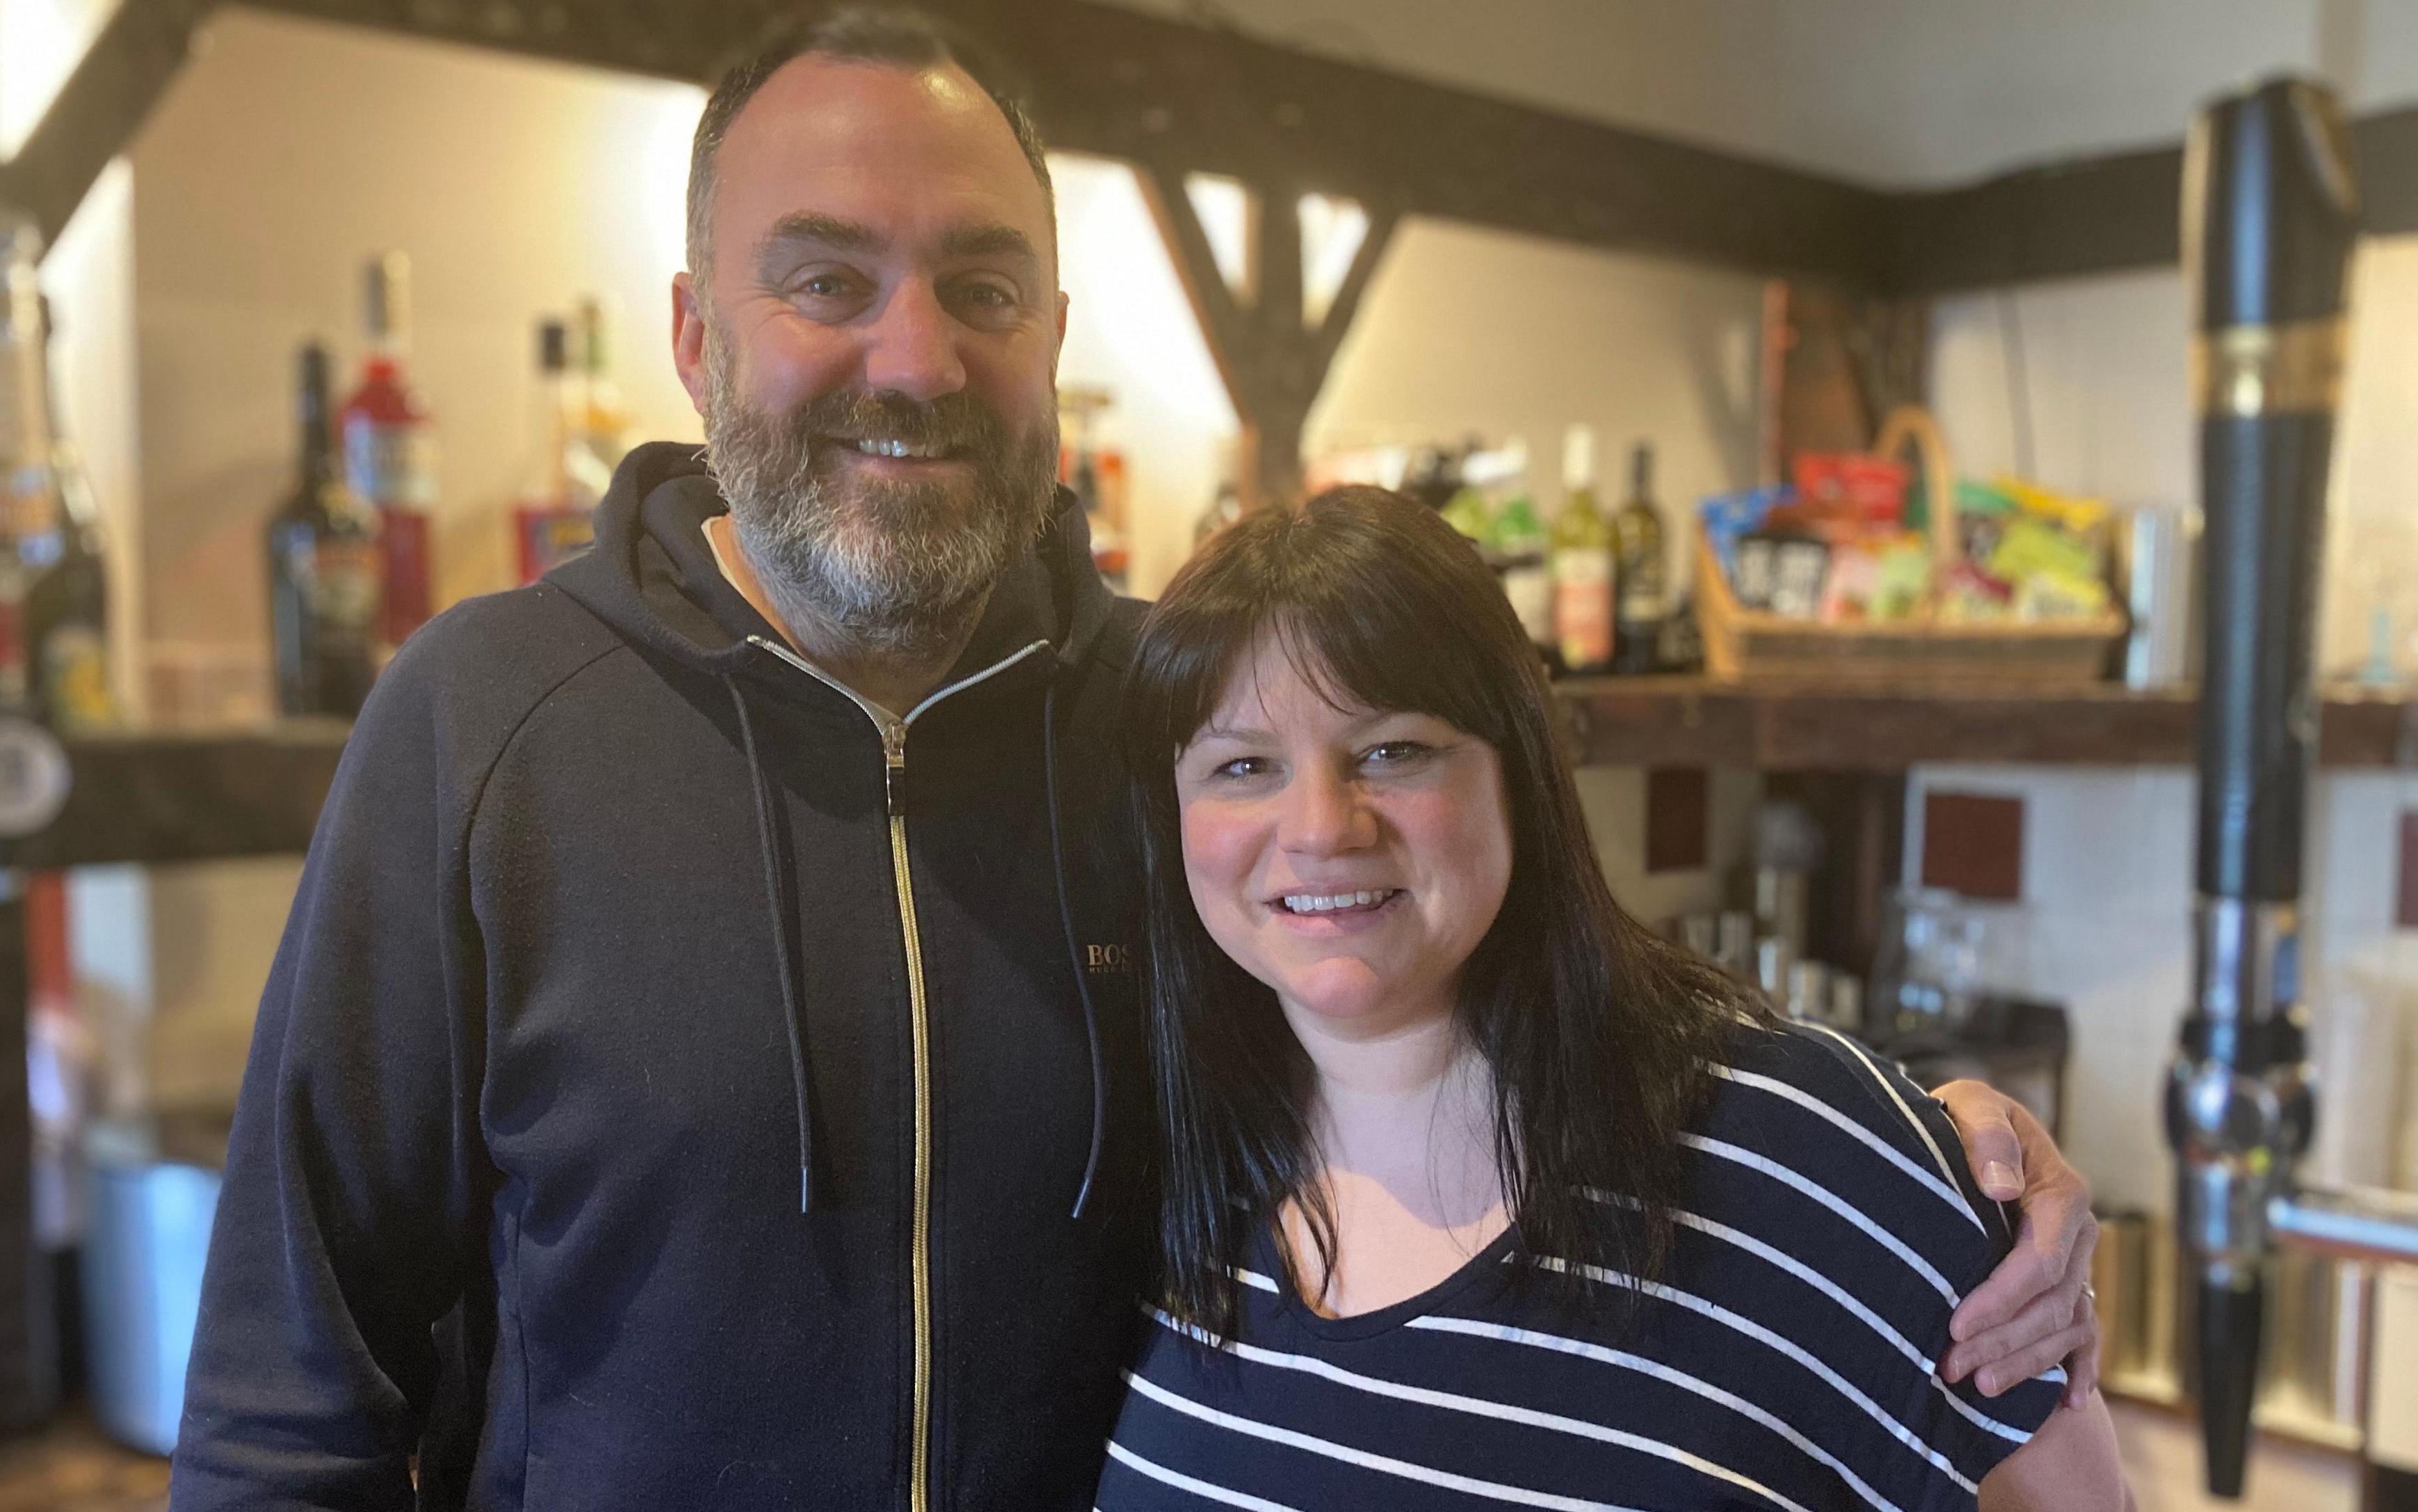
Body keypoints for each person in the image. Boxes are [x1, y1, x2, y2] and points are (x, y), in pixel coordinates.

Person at [171, 11, 2100, 1509]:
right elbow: (290, 1391)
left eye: (983, 288)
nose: (914, 356)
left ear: (1055, 335)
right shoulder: (484, 724)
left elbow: (1451, 946)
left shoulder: (1174, 731)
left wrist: (1937, 1152)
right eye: (826, 280)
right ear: (695, 335)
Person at [1098, 486, 2130, 1511]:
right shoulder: (1154, 1169)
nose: (1322, 826)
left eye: (1391, 750)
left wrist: (1948, 1188)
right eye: (1243, 766)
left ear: (1522, 768)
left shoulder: (1802, 1156)